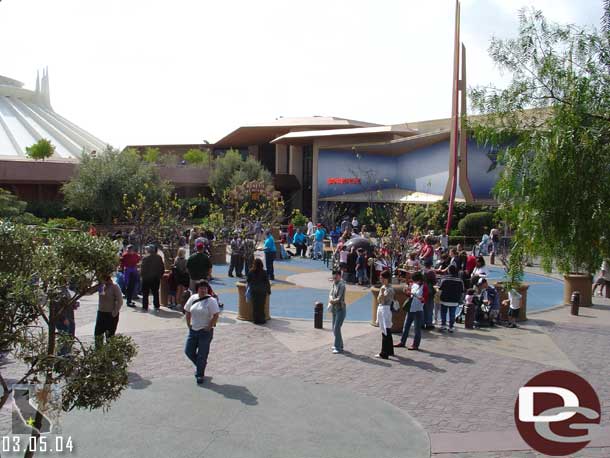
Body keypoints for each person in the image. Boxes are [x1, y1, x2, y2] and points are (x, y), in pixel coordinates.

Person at [184, 280, 220, 384]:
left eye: (205, 288)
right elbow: (187, 311)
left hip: (205, 332)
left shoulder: (211, 300)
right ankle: (201, 365)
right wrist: (188, 323)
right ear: (197, 289)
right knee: (188, 351)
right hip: (193, 330)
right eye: (201, 288)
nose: (203, 290)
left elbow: (216, 315)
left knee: (202, 354)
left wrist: (209, 326)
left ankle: (200, 374)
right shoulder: (193, 298)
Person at [395, 271, 427, 350]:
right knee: (406, 327)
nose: (415, 282)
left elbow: (424, 299)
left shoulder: (424, 287)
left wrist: (421, 298)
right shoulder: (414, 284)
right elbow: (409, 294)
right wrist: (407, 292)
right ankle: (402, 341)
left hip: (418, 310)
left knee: (417, 329)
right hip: (411, 309)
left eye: (416, 280)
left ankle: (415, 345)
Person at [94, 275, 123, 348]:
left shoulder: (115, 286)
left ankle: (109, 355)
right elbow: (89, 291)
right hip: (101, 313)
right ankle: (99, 353)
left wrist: (114, 313)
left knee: (109, 337)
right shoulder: (101, 286)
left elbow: (120, 301)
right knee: (98, 335)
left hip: (110, 315)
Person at [438, 265, 464, 333]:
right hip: (455, 300)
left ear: (448, 270)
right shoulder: (460, 280)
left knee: (443, 312)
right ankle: (451, 327)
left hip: (444, 299)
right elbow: (462, 291)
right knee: (452, 314)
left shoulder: (444, 279)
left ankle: (443, 325)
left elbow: (440, 288)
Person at [376, 270, 395, 359]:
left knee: (385, 331)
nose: (381, 279)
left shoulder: (389, 289)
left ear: (386, 279)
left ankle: (384, 353)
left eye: (382, 278)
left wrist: (382, 293)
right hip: (383, 309)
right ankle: (390, 350)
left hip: (386, 310)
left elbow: (382, 300)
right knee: (387, 330)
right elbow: (378, 300)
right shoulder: (383, 287)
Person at [140, 245, 165, 311]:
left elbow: (143, 268)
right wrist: (160, 275)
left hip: (146, 278)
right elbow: (162, 267)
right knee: (155, 292)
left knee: (145, 293)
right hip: (155, 278)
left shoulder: (145, 258)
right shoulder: (159, 257)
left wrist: (142, 276)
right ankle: (156, 306)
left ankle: (145, 307)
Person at [247, 258, 271, 324]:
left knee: (255, 306)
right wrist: (268, 291)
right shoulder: (264, 272)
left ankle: (256, 320)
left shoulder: (251, 271)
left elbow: (248, 280)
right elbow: (267, 282)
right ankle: (262, 319)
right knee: (261, 306)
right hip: (262, 291)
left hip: (254, 291)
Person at [328, 269, 346, 354]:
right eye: (333, 275)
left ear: (340, 276)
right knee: (334, 328)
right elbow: (331, 294)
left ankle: (337, 347)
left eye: (336, 275)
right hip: (334, 309)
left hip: (340, 309)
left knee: (336, 328)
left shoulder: (342, 285)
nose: (334, 277)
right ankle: (340, 344)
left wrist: (333, 301)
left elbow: (339, 298)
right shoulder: (334, 284)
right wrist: (331, 299)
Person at [422, 259, 437, 329]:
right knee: (429, 308)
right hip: (429, 291)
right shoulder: (431, 272)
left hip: (421, 290)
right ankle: (428, 324)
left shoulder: (421, 271)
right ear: (430, 265)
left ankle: (421, 323)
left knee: (422, 307)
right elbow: (434, 282)